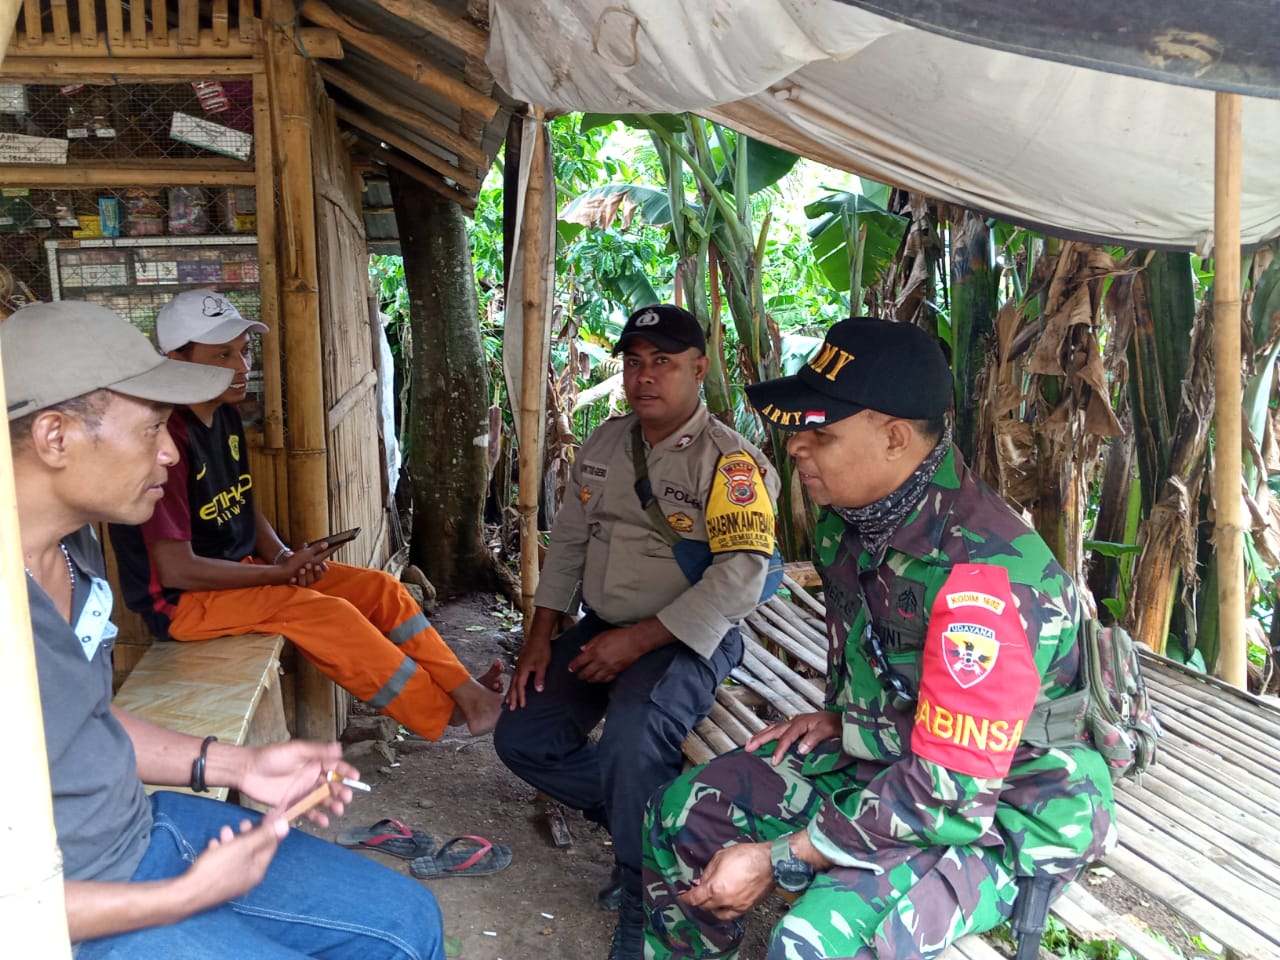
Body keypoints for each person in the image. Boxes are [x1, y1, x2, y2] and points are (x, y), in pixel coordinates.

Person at [643, 317, 1117, 959]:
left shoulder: (992, 579)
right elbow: (888, 666)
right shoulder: (853, 526)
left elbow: (948, 795)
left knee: (812, 941)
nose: (796, 449)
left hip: (1001, 809)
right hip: (898, 759)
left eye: (821, 434)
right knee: (684, 808)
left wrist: (777, 855)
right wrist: (842, 719)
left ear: (895, 439)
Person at [4, 299, 444, 958]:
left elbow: (80, 719)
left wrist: (239, 763)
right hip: (57, 914)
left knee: (408, 922)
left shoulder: (74, 549)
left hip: (138, 835)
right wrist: (182, 898)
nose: (167, 455)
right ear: (55, 437)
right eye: (151, 428)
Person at [494, 304, 780, 959]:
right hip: (603, 627)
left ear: (699, 370)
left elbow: (739, 577)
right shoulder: (605, 443)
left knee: (631, 737)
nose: (644, 376)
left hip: (685, 639)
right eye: (634, 362)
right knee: (522, 733)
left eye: (664, 362)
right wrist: (540, 635)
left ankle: (640, 893)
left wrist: (641, 640)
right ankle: (653, 837)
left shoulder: (732, 465)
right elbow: (566, 543)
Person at [108, 289, 503, 742]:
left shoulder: (224, 415)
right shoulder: (163, 438)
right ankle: (441, 712)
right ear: (177, 358)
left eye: (244, 350)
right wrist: (278, 577)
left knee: (380, 589)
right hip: (184, 604)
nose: (242, 367)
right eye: (222, 355)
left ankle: (467, 692)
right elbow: (176, 569)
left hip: (240, 575)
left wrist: (281, 558)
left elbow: (241, 500)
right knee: (323, 612)